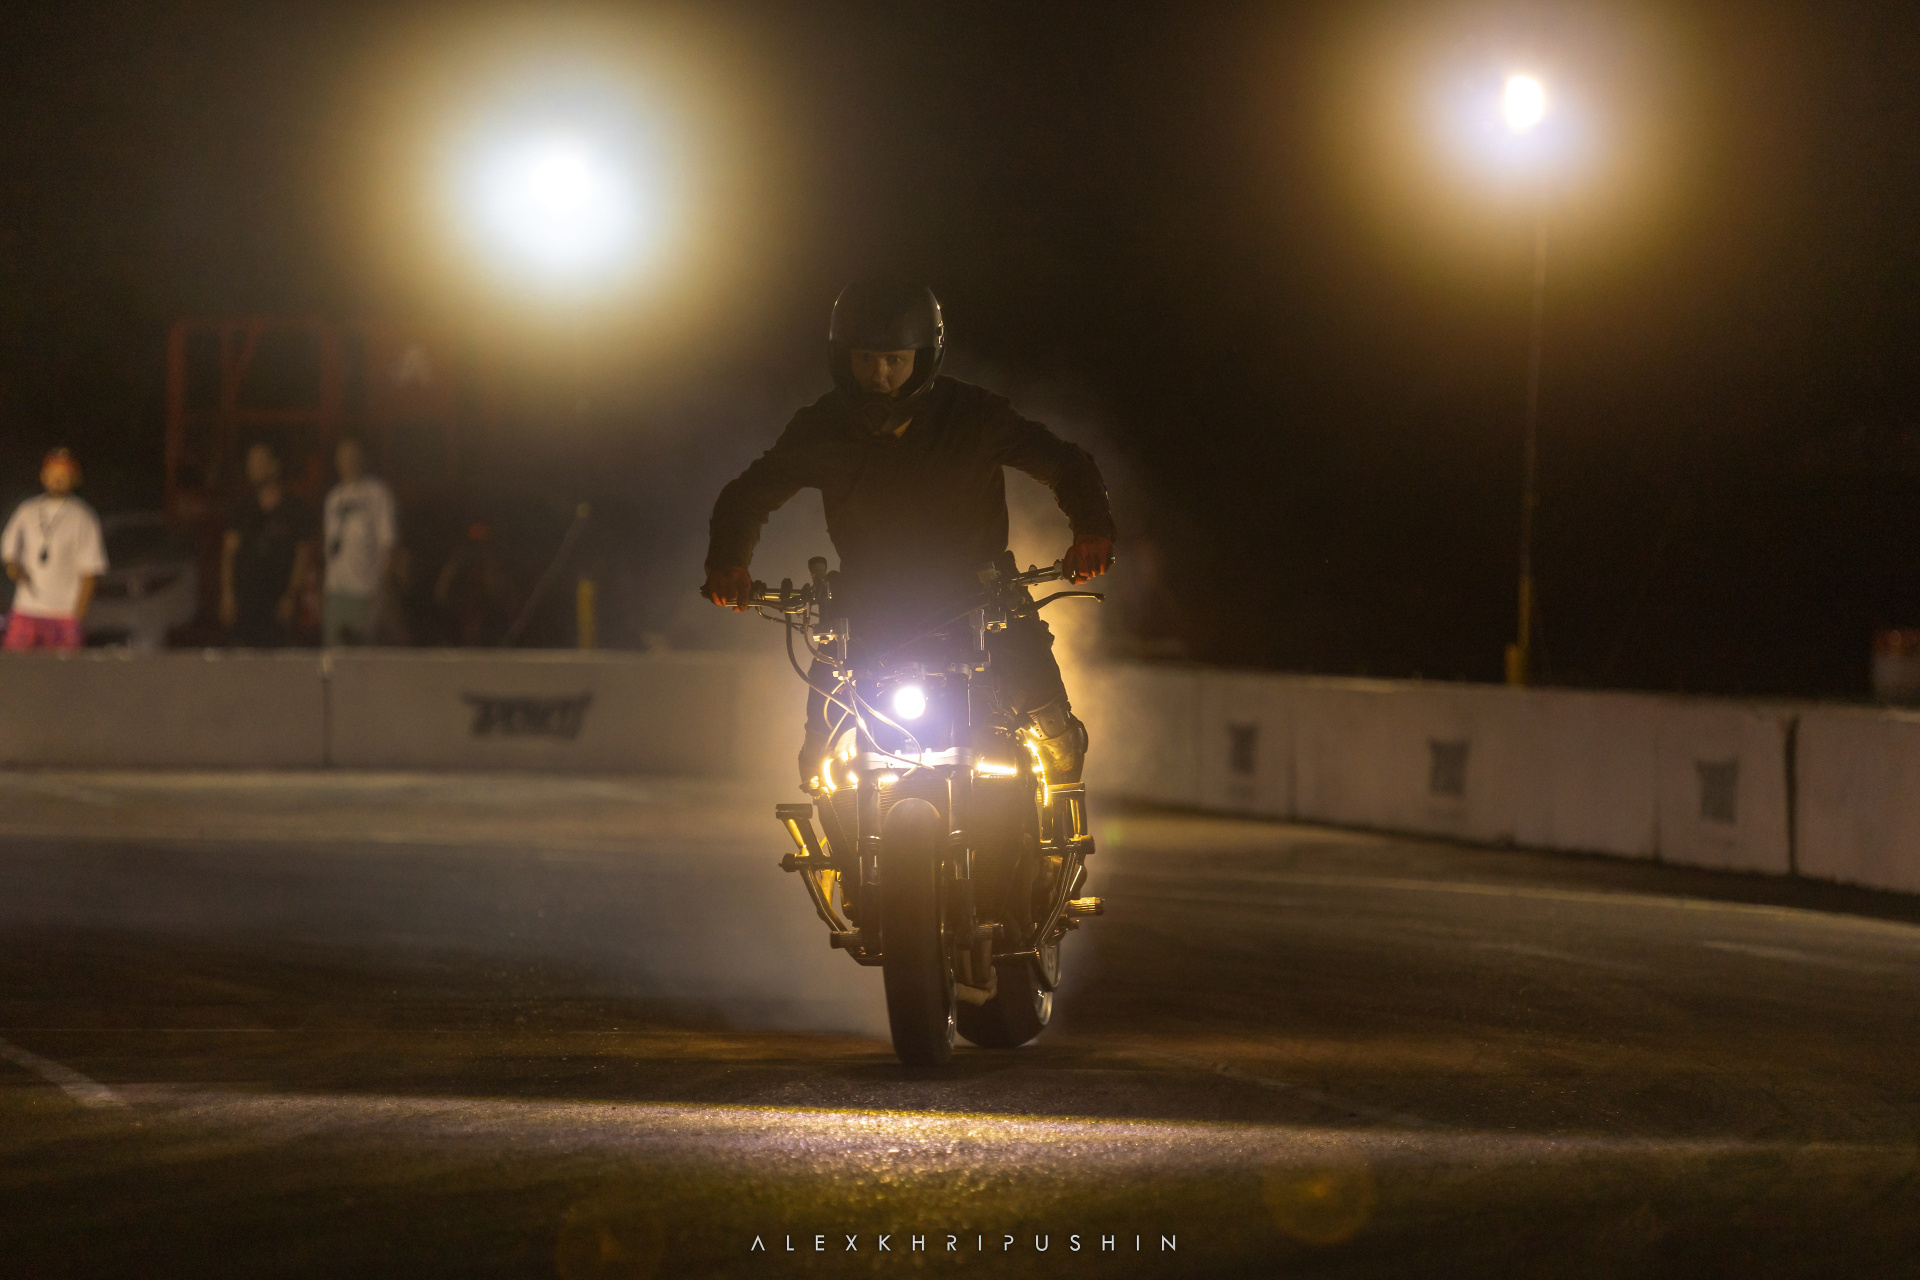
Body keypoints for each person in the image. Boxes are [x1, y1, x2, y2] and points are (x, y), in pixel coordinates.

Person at [702, 279, 1115, 788]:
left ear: (923, 358)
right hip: (867, 602)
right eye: (866, 359)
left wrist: (1091, 532)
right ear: (843, 358)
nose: (879, 376)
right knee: (819, 751)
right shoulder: (821, 427)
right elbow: (748, 496)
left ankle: (1059, 816)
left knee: (1056, 734)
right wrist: (729, 563)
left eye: (894, 360)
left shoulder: (975, 415)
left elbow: (1067, 466)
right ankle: (836, 824)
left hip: (981, 594)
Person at [2, 448, 108, 652]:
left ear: (75, 479)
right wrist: (14, 569)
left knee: (62, 669)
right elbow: (9, 551)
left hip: (63, 614)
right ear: (43, 475)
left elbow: (91, 570)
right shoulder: (27, 510)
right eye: (53, 473)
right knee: (16, 665)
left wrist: (78, 616)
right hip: (26, 610)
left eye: (64, 474)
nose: (57, 479)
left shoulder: (83, 516)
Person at [221, 440, 317, 647]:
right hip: (247, 601)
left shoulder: (295, 508)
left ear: (274, 466)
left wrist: (291, 595)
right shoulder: (242, 508)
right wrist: (228, 594)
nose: (252, 468)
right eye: (250, 463)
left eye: (258, 462)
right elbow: (229, 553)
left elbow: (302, 554)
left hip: (279, 602)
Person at [322, 436, 398, 646]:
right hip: (336, 592)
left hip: (365, 592)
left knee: (362, 658)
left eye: (353, 456)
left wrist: (381, 592)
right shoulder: (333, 498)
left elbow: (388, 544)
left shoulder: (377, 493)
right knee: (333, 656)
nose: (348, 461)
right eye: (343, 456)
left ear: (362, 458)